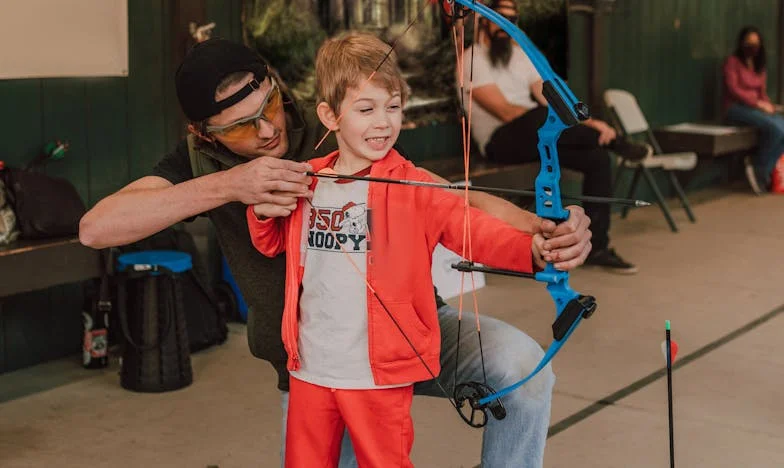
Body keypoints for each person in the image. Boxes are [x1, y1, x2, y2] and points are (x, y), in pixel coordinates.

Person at [78, 37, 592, 468]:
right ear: (203, 134)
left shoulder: (345, 118)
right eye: (238, 128)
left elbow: (453, 203)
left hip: (403, 336)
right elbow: (96, 228)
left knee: (525, 369)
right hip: (314, 364)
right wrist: (232, 186)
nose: (265, 131)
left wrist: (544, 233)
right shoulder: (199, 164)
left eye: (269, 108)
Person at [249, 31, 554, 467]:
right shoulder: (307, 181)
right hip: (311, 368)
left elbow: (470, 228)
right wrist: (261, 212)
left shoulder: (413, 185)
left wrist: (533, 250)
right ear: (330, 115)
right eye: (366, 109)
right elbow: (271, 242)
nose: (383, 122)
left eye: (393, 107)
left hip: (378, 374)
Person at [457, 0, 644, 274]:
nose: (504, 27)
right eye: (499, 19)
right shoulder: (471, 60)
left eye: (511, 19)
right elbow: (506, 112)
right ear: (484, 20)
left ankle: (599, 247)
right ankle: (617, 143)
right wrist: (578, 128)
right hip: (501, 141)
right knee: (537, 117)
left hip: (537, 135)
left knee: (597, 158)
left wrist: (594, 123)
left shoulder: (521, 57)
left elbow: (551, 99)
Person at [722, 25, 784, 194]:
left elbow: (761, 93)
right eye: (748, 43)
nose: (752, 47)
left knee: (782, 126)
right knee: (776, 129)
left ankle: (761, 167)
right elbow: (733, 89)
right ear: (741, 43)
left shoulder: (759, 66)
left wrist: (769, 106)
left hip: (756, 109)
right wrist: (757, 104)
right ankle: (759, 170)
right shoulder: (732, 62)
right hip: (736, 108)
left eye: (755, 43)